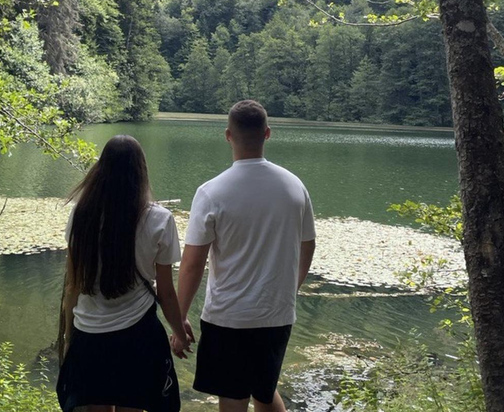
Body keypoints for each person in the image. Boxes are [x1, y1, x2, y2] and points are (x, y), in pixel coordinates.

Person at [177, 100, 316, 412]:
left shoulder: (212, 192)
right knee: (264, 391)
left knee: (234, 398)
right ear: (267, 133)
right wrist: (291, 289)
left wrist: (179, 317)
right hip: (277, 315)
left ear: (228, 135)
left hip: (229, 317)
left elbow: (192, 264)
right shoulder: (295, 187)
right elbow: (308, 245)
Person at [57, 135, 191, 412]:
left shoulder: (81, 214)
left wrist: (70, 339)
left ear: (101, 169)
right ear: (141, 171)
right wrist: (179, 332)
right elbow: (165, 293)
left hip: (89, 335)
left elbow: (72, 287)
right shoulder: (159, 219)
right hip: (137, 335)